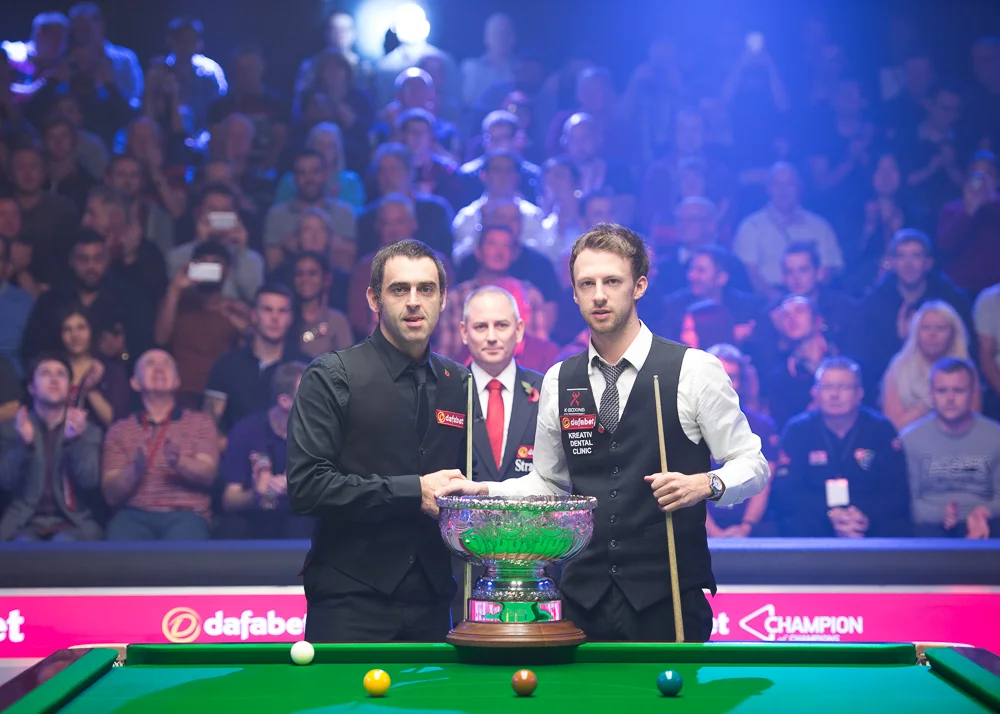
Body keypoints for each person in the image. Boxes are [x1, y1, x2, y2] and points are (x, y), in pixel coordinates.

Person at [439, 223, 769, 642]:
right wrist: (484, 491)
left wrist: (708, 483)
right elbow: (548, 483)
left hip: (667, 599)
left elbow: (753, 464)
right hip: (582, 600)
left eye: (612, 281)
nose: (598, 294)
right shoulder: (560, 379)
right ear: (574, 293)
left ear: (639, 286)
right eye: (586, 283)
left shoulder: (693, 369)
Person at [287, 239, 471, 642]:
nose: (413, 302)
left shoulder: (459, 381)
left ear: (442, 300)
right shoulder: (332, 375)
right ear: (373, 298)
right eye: (398, 289)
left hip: (433, 601)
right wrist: (412, 492)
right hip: (349, 600)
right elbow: (306, 487)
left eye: (426, 289)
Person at [771, 357, 912, 538]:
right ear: (814, 393)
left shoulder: (881, 429)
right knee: (796, 523)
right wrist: (830, 514)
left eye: (844, 387)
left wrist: (863, 516)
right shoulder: (798, 430)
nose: (835, 394)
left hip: (869, 519)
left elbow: (897, 492)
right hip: (816, 520)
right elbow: (786, 493)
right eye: (827, 387)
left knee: (895, 526)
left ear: (859, 393)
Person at [101, 349, 220, 540]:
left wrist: (179, 462)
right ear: (135, 382)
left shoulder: (201, 422)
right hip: (133, 516)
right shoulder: (119, 430)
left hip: (185, 514)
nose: (158, 368)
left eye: (166, 364)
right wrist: (135, 469)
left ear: (177, 382)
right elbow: (110, 495)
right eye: (149, 364)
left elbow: (209, 476)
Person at [0, 354, 102, 542]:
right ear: (31, 387)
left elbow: (89, 481)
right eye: (45, 374)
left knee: (64, 543)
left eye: (61, 375)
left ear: (69, 387)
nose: (54, 379)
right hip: (24, 522)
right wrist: (25, 445)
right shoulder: (11, 429)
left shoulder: (88, 431)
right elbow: (6, 482)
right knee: (24, 544)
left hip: (72, 522)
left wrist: (74, 442)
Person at [901, 358, 1000, 539]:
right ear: (931, 394)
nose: (950, 398)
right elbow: (907, 502)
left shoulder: (995, 436)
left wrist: (983, 512)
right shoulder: (910, 439)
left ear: (973, 393)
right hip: (929, 528)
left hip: (988, 523)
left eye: (959, 390)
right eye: (942, 391)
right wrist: (941, 514)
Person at [219, 361, 314, 539]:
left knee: (306, 524)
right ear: (285, 401)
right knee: (232, 527)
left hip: (300, 516)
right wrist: (255, 494)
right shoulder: (246, 430)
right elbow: (229, 500)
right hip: (255, 516)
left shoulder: (323, 432)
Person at [204, 283, 308, 438]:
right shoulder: (226, 365)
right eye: (267, 309)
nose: (275, 318)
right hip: (235, 455)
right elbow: (209, 427)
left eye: (282, 311)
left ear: (290, 318)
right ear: (253, 315)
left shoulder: (306, 367)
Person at [461, 285, 543, 482]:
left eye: (501, 325)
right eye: (481, 326)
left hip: (529, 512)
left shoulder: (545, 389)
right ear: (464, 332)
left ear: (519, 330)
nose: (491, 337)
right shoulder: (446, 390)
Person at [881, 300, 981, 432]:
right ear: (916, 332)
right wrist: (927, 405)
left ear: (953, 333)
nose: (932, 335)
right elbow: (892, 427)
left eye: (940, 328)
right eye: (926, 328)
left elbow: (973, 423)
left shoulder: (966, 369)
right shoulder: (899, 367)